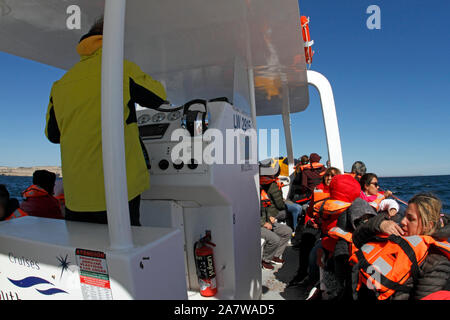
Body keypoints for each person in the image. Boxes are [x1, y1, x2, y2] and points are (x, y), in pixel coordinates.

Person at [45, 17, 167, 226]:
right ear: (114, 40)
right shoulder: (121, 68)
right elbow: (158, 97)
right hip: (118, 192)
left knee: (86, 255)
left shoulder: (60, 84)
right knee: (125, 254)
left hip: (77, 197)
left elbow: (52, 135)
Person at [350, 193, 450, 300]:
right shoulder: (398, 233)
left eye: (410, 219)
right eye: (405, 215)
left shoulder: (437, 263)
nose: (402, 221)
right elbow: (357, 239)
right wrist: (379, 224)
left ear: (428, 226)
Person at [288, 167, 341, 287]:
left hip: (332, 227)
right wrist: (309, 221)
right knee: (306, 238)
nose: (329, 178)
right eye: (327, 175)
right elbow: (310, 211)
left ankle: (318, 280)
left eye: (332, 176)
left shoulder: (340, 192)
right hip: (316, 224)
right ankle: (302, 273)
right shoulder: (318, 191)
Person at [259, 159, 293, 269]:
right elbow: (248, 212)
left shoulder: (262, 186)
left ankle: (275, 255)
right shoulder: (268, 186)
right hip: (257, 224)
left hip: (266, 218)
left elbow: (265, 207)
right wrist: (264, 222)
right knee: (275, 239)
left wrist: (269, 218)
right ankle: (265, 260)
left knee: (287, 231)